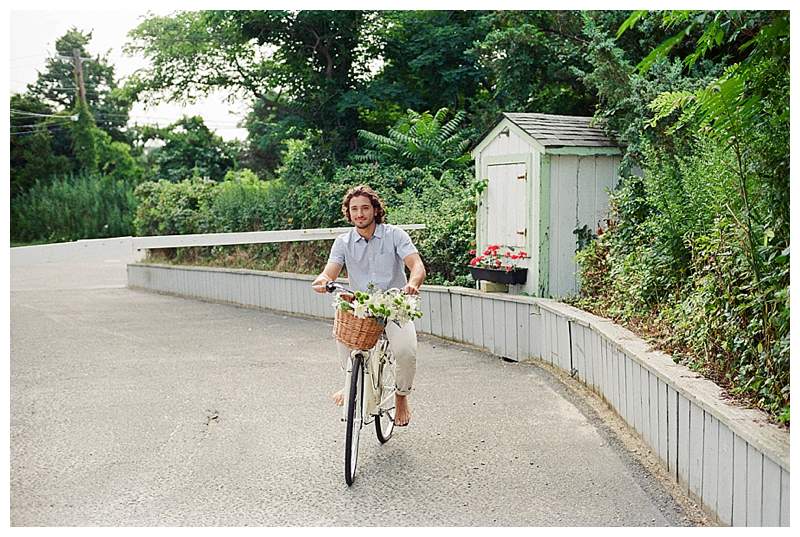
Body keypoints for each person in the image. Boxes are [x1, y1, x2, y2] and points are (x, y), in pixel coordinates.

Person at [312, 185, 426, 427]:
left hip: (395, 303)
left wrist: (413, 283)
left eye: (365, 208)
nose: (360, 213)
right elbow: (330, 271)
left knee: (406, 352)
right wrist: (323, 280)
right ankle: (349, 382)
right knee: (344, 338)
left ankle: (401, 396)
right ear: (348, 213)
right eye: (354, 209)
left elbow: (416, 265)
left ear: (375, 210)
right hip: (361, 306)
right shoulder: (343, 242)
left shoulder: (395, 235)